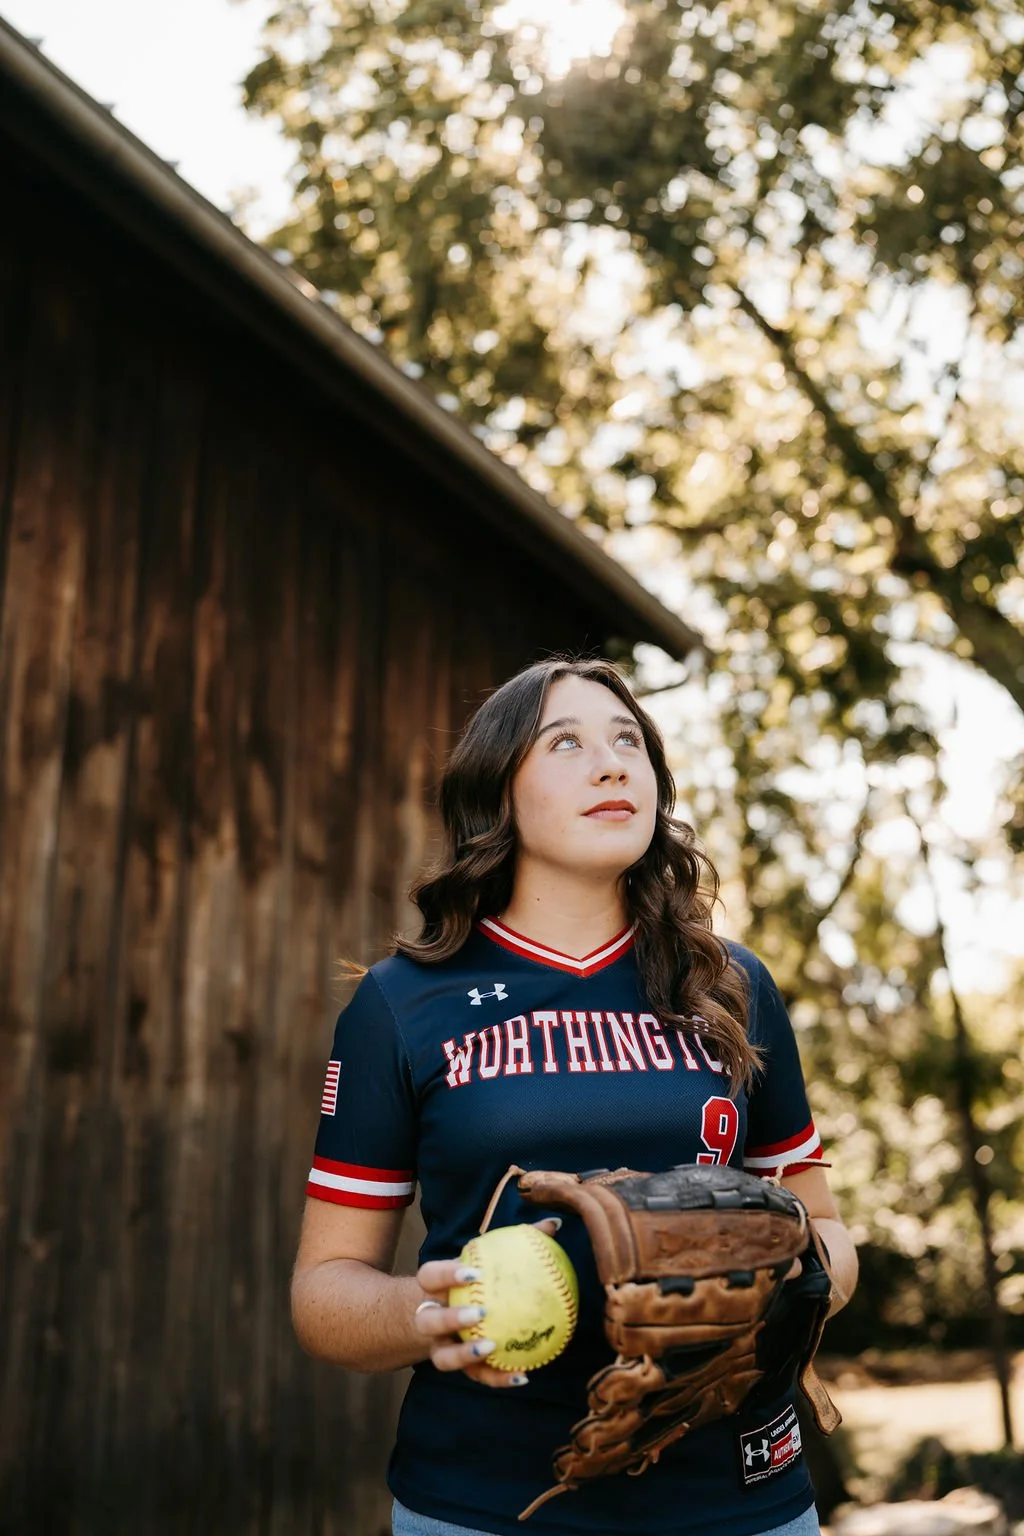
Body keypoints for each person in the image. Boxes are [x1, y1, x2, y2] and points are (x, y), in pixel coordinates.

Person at [292, 656, 858, 1536]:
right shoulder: (401, 1005)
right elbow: (324, 1292)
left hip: (739, 1496)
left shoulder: (732, 984)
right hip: (487, 1501)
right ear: (498, 792)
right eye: (567, 742)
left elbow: (829, 1233)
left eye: (629, 740)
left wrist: (789, 1278)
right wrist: (431, 1312)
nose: (612, 762)